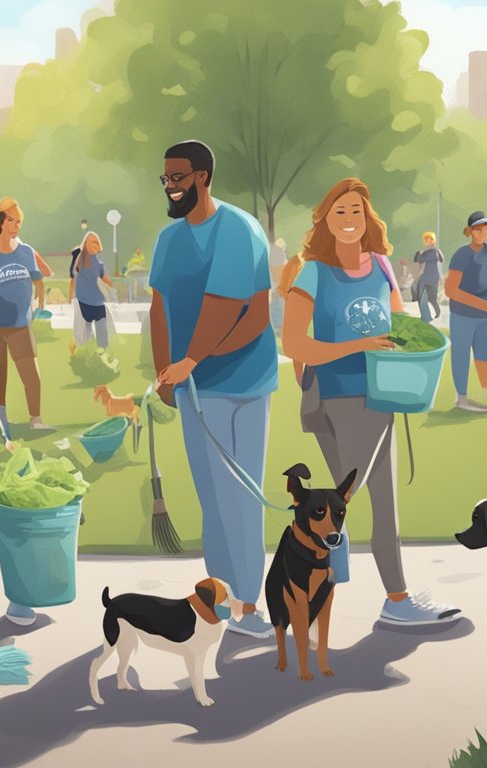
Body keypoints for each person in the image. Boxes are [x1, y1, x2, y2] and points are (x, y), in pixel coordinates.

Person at [280, 178, 461, 625]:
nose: (348, 220)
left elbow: (398, 329)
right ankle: (345, 574)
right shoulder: (313, 272)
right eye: (339, 212)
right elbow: (294, 344)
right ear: (325, 219)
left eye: (355, 211)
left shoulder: (380, 265)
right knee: (356, 495)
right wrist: (355, 348)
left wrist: (413, 364)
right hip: (335, 395)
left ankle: (382, 592)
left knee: (374, 498)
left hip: (380, 393)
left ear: (368, 217)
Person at [150, 140, 278, 638]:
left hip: (242, 382)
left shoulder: (238, 229)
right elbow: (160, 307)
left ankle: (249, 605)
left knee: (240, 497)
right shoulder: (168, 240)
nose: (171, 186)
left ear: (202, 176)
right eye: (165, 179)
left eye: (177, 177)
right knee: (211, 497)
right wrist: (166, 369)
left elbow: (243, 312)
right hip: (190, 386)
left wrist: (192, 360)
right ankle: (221, 597)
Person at [0, 196, 50, 437]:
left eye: (19, 221)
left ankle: (36, 419)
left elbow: (40, 278)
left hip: (20, 326)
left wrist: (37, 302)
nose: (17, 226)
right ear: (0, 223)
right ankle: (1, 420)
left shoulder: (26, 252)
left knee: (32, 376)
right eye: (12, 220)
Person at [445, 211, 487, 413]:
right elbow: (451, 290)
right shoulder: (462, 254)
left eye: (486, 228)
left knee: (482, 355)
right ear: (470, 231)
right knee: (461, 354)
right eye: (478, 229)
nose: (483, 232)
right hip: (463, 314)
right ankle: (462, 398)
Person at [69, 231, 114, 349]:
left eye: (97, 242)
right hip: (83, 301)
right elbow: (73, 277)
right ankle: (87, 354)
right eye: (93, 242)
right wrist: (71, 297)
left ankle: (103, 353)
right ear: (86, 244)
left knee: (102, 332)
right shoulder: (79, 260)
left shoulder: (98, 264)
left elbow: (104, 277)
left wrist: (113, 286)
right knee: (85, 334)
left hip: (98, 301)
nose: (96, 245)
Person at [414, 231, 443, 322]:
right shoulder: (429, 251)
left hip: (431, 277)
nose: (427, 241)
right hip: (427, 277)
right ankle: (428, 316)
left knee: (431, 298)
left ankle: (434, 313)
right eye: (426, 239)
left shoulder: (433, 252)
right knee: (424, 298)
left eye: (429, 239)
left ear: (433, 240)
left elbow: (420, 261)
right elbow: (419, 263)